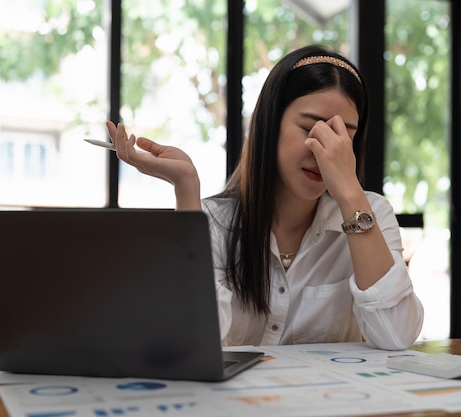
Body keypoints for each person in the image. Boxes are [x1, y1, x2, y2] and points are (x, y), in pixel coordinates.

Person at [106, 44, 424, 350]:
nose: (323, 150)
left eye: (343, 136)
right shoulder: (215, 223)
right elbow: (189, 337)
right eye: (310, 129)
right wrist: (187, 191)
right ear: (270, 125)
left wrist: (351, 194)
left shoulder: (371, 213)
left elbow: (396, 335)